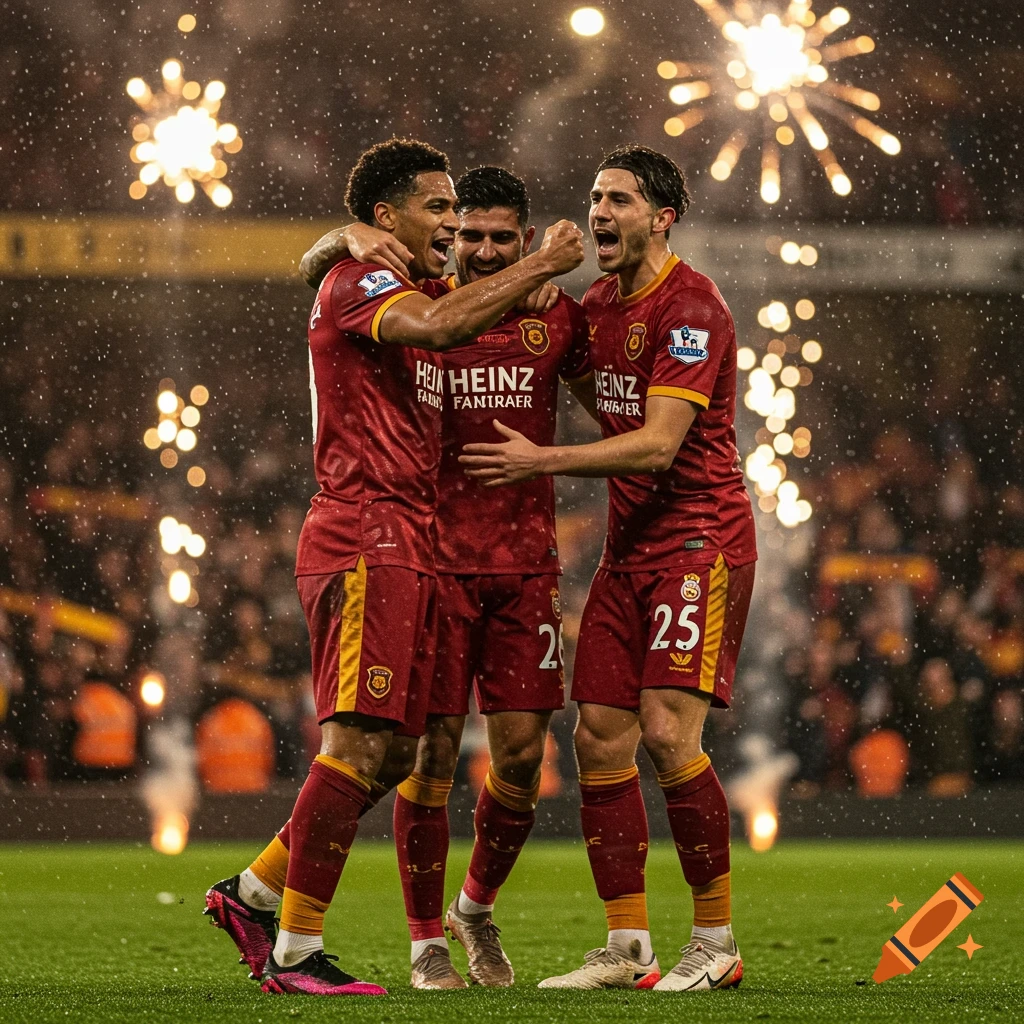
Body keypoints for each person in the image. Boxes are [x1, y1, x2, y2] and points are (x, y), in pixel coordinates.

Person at [203, 137, 584, 998]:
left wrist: (334, 240)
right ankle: (294, 952)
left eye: (461, 212)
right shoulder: (371, 284)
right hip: (368, 531)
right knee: (361, 745)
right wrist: (546, 264)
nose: (454, 228)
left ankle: (254, 892)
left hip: (409, 539)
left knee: (393, 748)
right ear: (388, 215)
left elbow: (439, 304)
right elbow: (442, 323)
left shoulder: (395, 276)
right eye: (440, 209)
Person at [461, 144, 756, 992]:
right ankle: (628, 949)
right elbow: (604, 404)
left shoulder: (692, 306)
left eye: (619, 200)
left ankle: (717, 941)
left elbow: (661, 445)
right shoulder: (594, 305)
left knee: (668, 734)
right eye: (594, 198)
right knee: (598, 740)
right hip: (631, 553)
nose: (599, 213)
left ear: (663, 216)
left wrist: (538, 462)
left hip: (700, 540)